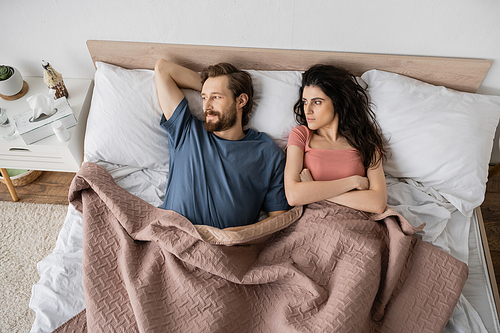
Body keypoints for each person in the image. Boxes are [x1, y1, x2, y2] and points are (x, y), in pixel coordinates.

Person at [154, 59, 290, 229]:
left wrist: (236, 235)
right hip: (171, 239)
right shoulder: (186, 129)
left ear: (241, 101)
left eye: (216, 97)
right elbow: (163, 69)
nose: (207, 106)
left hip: (228, 248)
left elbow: (279, 217)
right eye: (204, 97)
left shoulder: (268, 152)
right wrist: (210, 88)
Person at [284, 64, 387, 214]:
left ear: (337, 102)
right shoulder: (301, 135)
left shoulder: (366, 139)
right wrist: (353, 182)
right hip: (313, 221)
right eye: (305, 101)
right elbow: (293, 195)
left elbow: (377, 203)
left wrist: (313, 188)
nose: (307, 110)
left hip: (357, 222)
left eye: (317, 102)